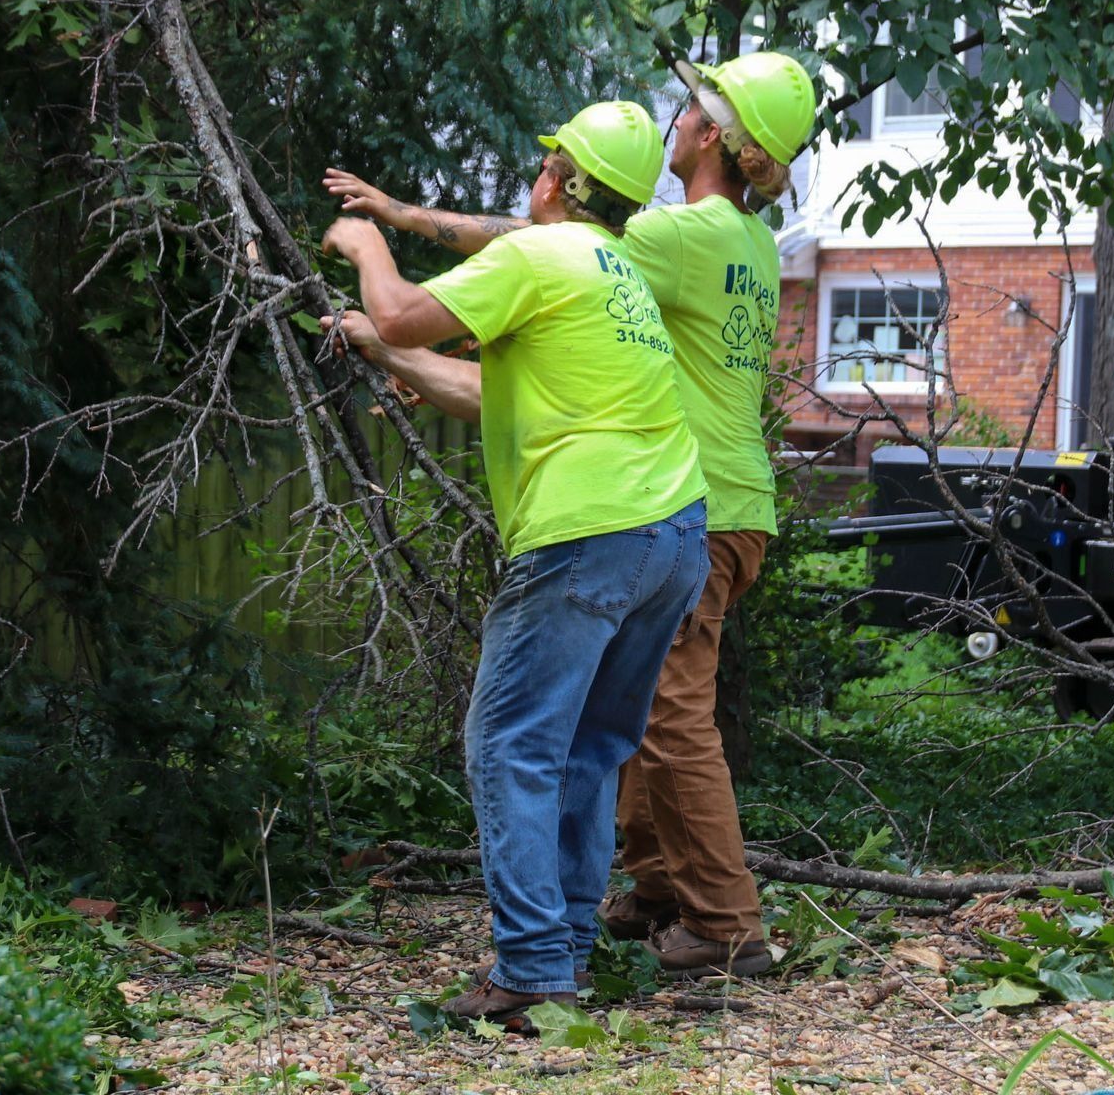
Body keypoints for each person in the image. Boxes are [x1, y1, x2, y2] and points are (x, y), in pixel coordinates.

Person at [323, 51, 816, 980]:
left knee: (657, 724)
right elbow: (549, 339)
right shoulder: (738, 243)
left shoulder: (669, 238)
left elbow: (540, 242)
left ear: (714, 136)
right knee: (611, 733)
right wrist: (463, 366)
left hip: (668, 500)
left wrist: (388, 223)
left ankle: (722, 924)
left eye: (688, 111)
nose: (674, 121)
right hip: (702, 505)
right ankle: (652, 896)